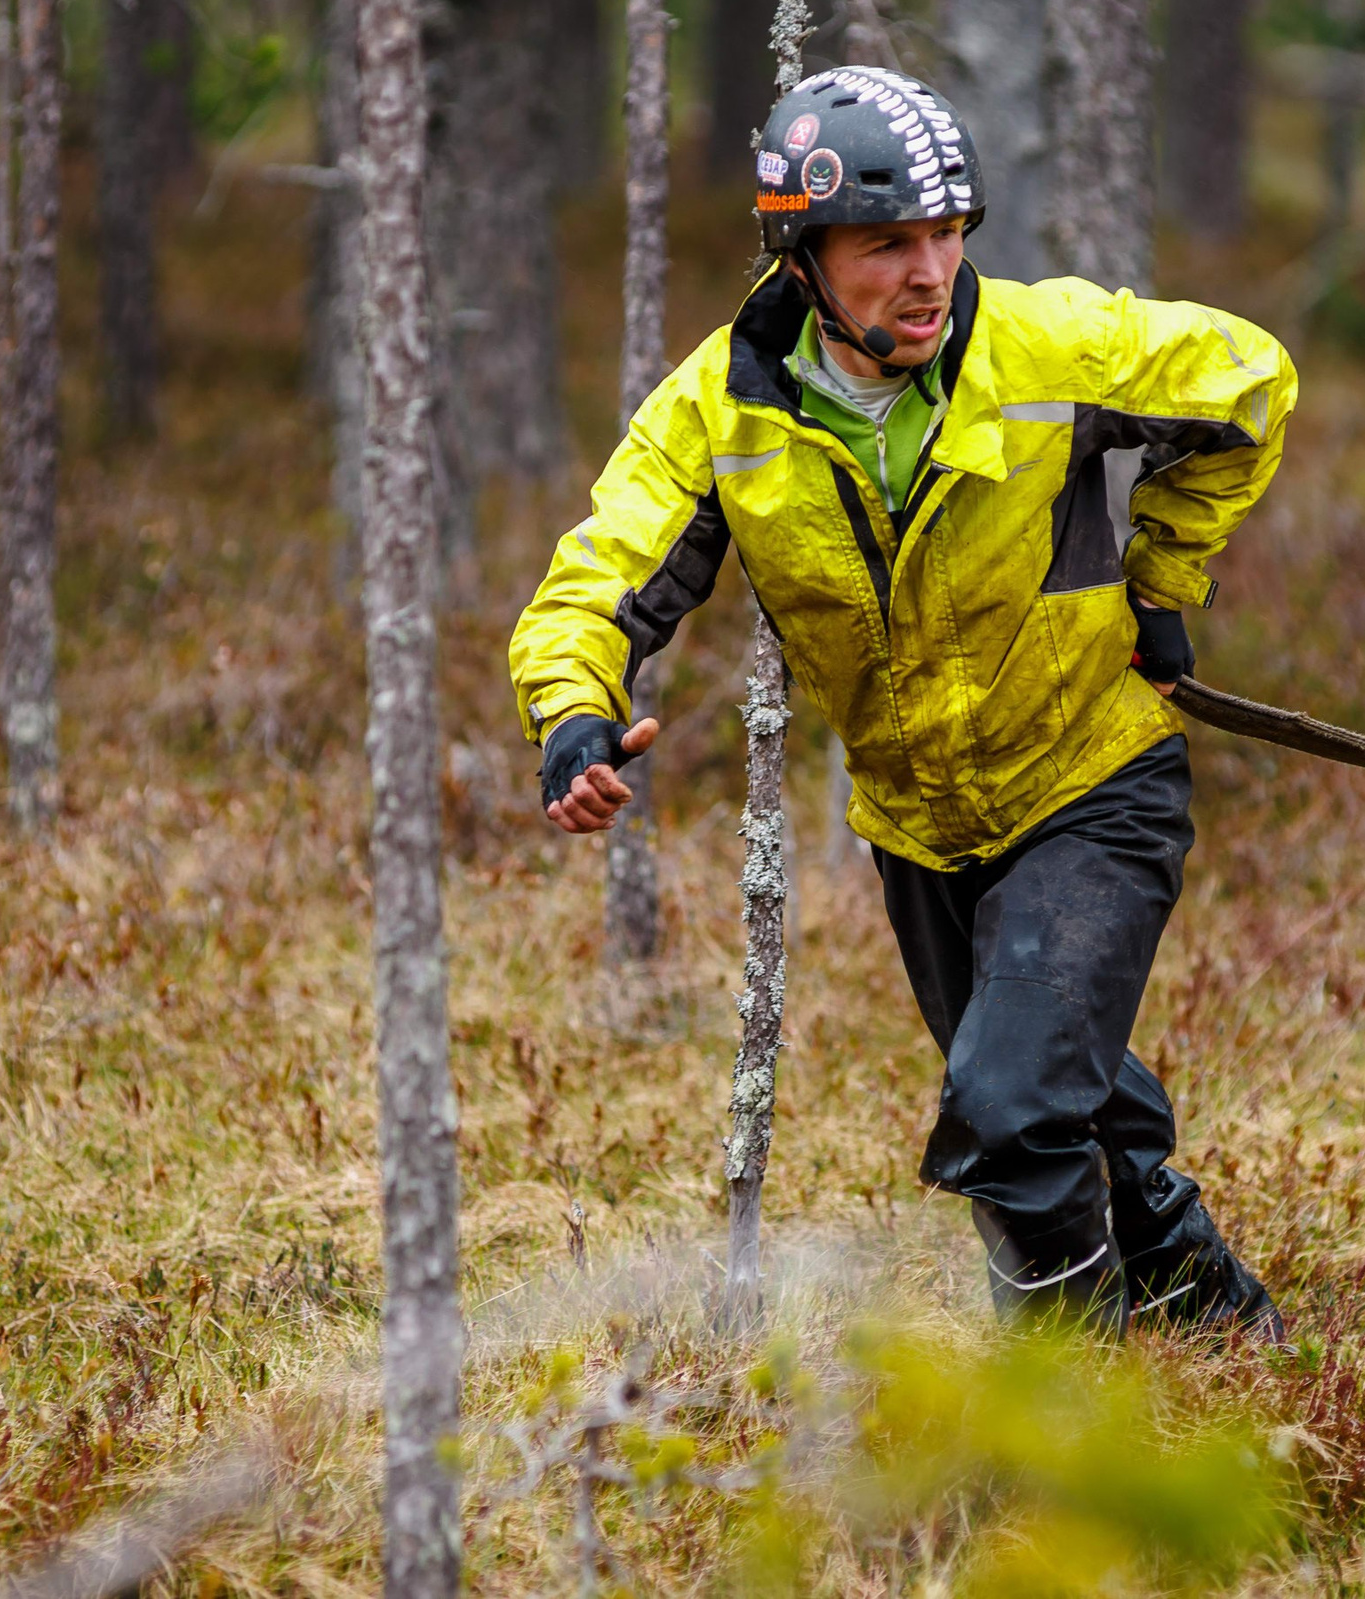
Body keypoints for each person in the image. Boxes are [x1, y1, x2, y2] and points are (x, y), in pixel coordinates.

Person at [507, 66, 1294, 1338]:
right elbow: (594, 583)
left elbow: (1252, 382)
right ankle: (1211, 1315)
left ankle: (1066, 1408)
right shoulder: (721, 411)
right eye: (886, 245)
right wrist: (573, 716)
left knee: (1010, 1109)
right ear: (803, 259)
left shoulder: (1055, 345)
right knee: (1069, 1093)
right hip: (919, 826)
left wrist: (1160, 579)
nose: (928, 273)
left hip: (1093, 779)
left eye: (947, 233)